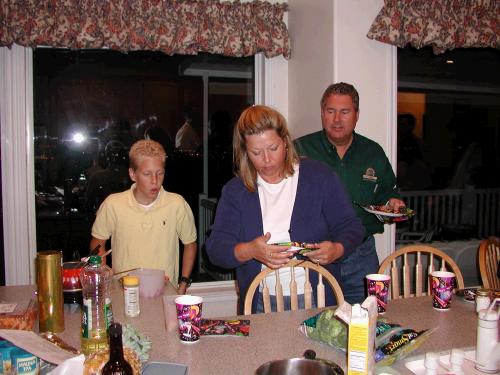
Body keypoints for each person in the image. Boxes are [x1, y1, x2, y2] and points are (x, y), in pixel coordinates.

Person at [206, 105, 365, 314]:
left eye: (273, 148)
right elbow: (216, 250)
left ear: (286, 142)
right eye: (256, 152)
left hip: (318, 297)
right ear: (245, 152)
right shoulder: (236, 191)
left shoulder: (319, 176)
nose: (267, 159)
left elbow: (352, 227)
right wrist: (251, 250)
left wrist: (337, 249)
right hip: (262, 301)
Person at [295, 82, 406, 304]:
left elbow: (388, 191)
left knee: (366, 317)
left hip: (361, 255)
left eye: (344, 112)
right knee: (315, 321)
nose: (337, 119)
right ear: (322, 113)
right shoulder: (300, 150)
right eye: (330, 111)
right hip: (316, 254)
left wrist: (393, 202)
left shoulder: (372, 152)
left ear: (356, 115)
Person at [90, 139, 197, 294]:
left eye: (160, 173)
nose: (155, 181)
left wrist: (184, 282)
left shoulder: (177, 204)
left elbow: (190, 243)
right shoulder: (113, 204)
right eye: (147, 174)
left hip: (163, 292)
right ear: (133, 174)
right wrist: (102, 270)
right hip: (123, 291)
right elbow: (98, 241)